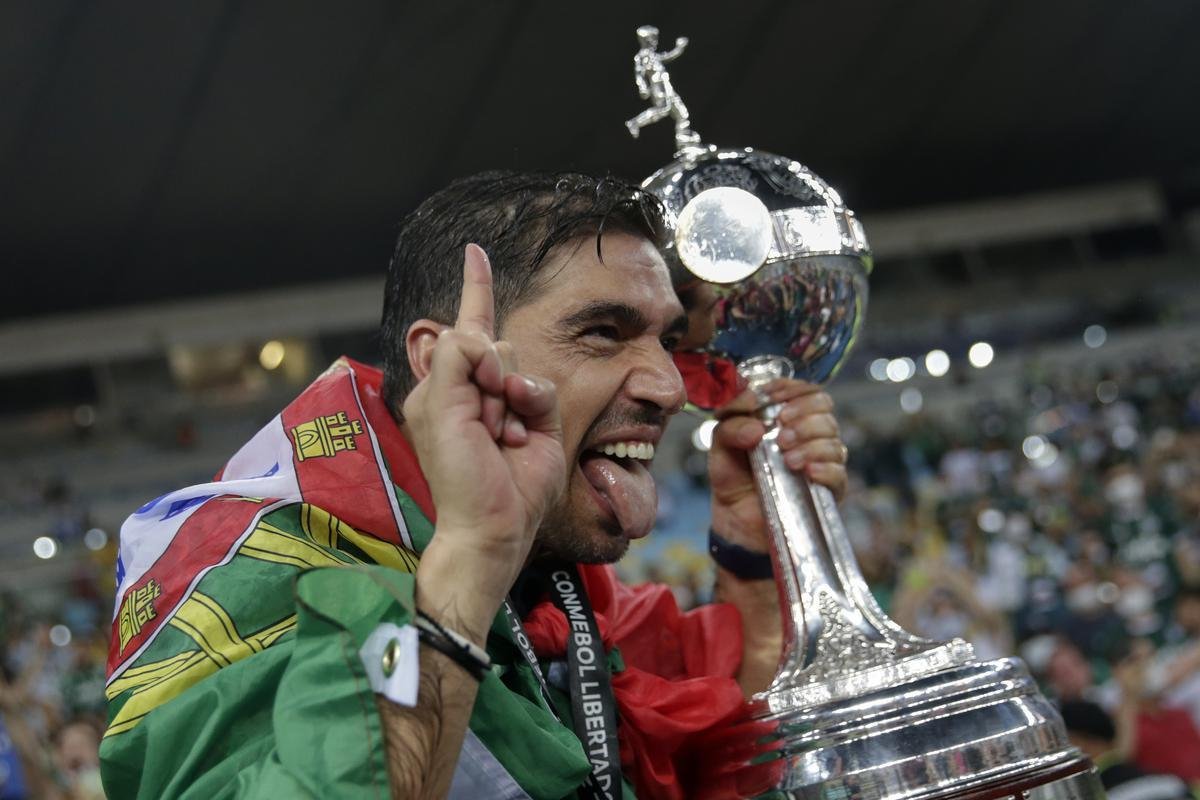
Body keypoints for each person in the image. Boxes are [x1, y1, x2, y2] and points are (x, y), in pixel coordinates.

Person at [100, 171, 849, 799]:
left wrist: (754, 566)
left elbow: (718, 755)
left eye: (666, 339)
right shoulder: (248, 578)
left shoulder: (560, 582)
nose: (668, 387)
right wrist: (470, 558)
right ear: (444, 361)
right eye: (602, 333)